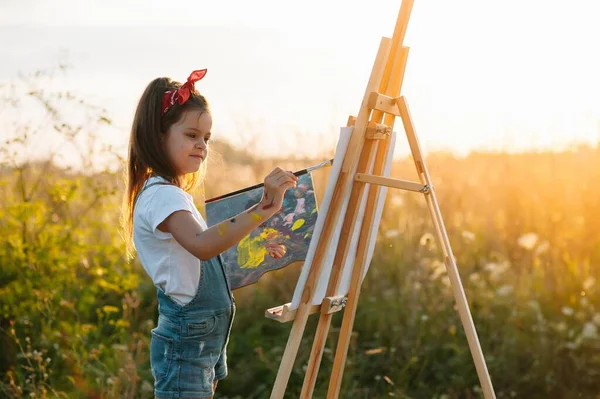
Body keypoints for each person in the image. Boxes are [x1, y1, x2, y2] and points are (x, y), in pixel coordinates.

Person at [121, 69, 297, 399]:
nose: (202, 145)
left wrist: (261, 239)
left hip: (203, 337)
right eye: (191, 135)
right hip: (189, 339)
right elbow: (203, 246)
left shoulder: (171, 193)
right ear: (158, 136)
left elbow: (203, 257)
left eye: (206, 138)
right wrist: (261, 208)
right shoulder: (162, 195)